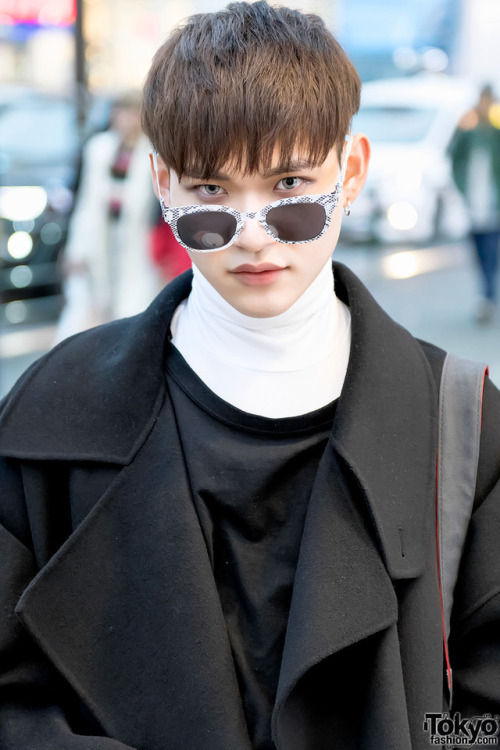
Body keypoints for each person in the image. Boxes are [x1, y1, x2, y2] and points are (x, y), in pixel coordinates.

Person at [0, 4, 499, 749]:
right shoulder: (54, 414)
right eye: (210, 196)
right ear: (163, 184)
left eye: (291, 186)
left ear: (352, 170)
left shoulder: (459, 419)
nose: (254, 234)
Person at [55, 94, 163, 342]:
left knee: (134, 305)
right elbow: (86, 201)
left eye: (133, 114)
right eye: (122, 113)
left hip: (136, 240)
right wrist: (76, 249)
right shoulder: (99, 148)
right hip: (99, 235)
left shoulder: (151, 153)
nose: (127, 120)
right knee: (88, 306)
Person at [449, 84, 500, 323]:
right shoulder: (468, 131)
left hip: (494, 204)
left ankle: (487, 296)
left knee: (490, 249)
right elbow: (452, 155)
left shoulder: (496, 133)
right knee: (479, 250)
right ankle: (486, 292)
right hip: (472, 202)